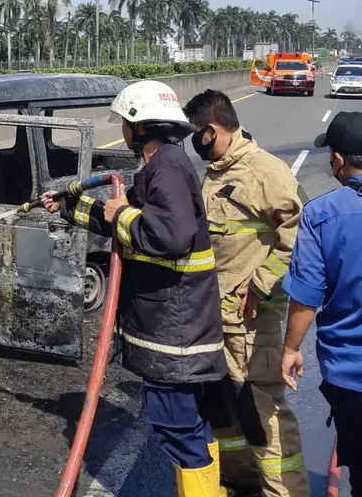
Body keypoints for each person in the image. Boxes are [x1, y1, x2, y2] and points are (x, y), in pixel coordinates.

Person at [42, 80, 227, 496]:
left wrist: (123, 213)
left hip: (173, 331)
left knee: (179, 430)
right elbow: (127, 220)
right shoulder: (163, 164)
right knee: (189, 425)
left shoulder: (168, 168)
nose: (123, 129)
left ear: (141, 126)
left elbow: (168, 234)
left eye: (126, 122)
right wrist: (69, 206)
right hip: (174, 324)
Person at [182, 89, 307, 497]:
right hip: (220, 317)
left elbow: (300, 238)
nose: (193, 143)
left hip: (252, 320)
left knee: (263, 412)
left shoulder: (263, 173)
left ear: (211, 130)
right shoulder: (220, 170)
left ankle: (285, 492)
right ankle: (242, 481)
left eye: (195, 133)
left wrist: (260, 283)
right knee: (228, 408)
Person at [281, 111, 362, 496]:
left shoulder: (321, 214)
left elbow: (306, 295)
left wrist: (291, 348)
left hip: (350, 376)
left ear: (339, 159)